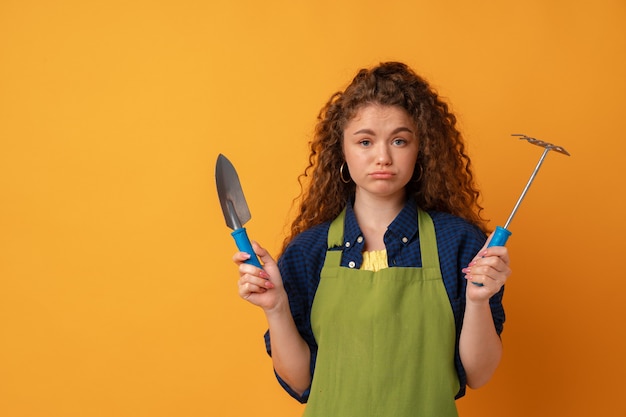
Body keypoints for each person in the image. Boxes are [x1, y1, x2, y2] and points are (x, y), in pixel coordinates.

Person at [233, 61, 511, 417]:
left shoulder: (458, 243)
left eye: (399, 140)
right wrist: (276, 308)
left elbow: (479, 373)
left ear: (420, 150)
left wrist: (477, 300)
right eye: (365, 141)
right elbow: (301, 382)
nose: (383, 157)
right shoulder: (309, 251)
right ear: (342, 153)